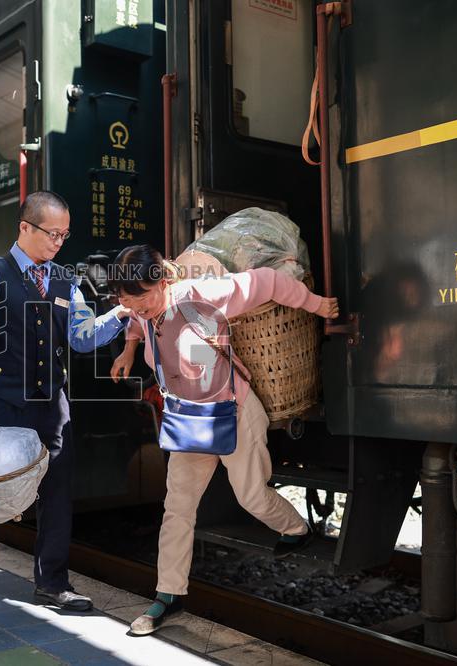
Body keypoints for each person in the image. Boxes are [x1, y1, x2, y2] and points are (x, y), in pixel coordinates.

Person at [107, 244, 339, 636]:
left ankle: (296, 528)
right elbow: (134, 319)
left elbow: (264, 282)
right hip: (188, 421)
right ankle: (168, 594)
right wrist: (129, 350)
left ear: (163, 282)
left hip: (233, 412)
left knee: (251, 496)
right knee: (177, 508)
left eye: (143, 298)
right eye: (127, 301)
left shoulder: (199, 297)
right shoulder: (142, 310)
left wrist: (317, 305)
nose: (137, 308)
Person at [0, 191, 132, 631]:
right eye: (52, 233)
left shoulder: (66, 280)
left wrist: (120, 314)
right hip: (3, 405)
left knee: (57, 495)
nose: (59, 242)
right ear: (25, 227)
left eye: (65, 234)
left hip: (52, 407)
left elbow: (82, 339)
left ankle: (52, 584)